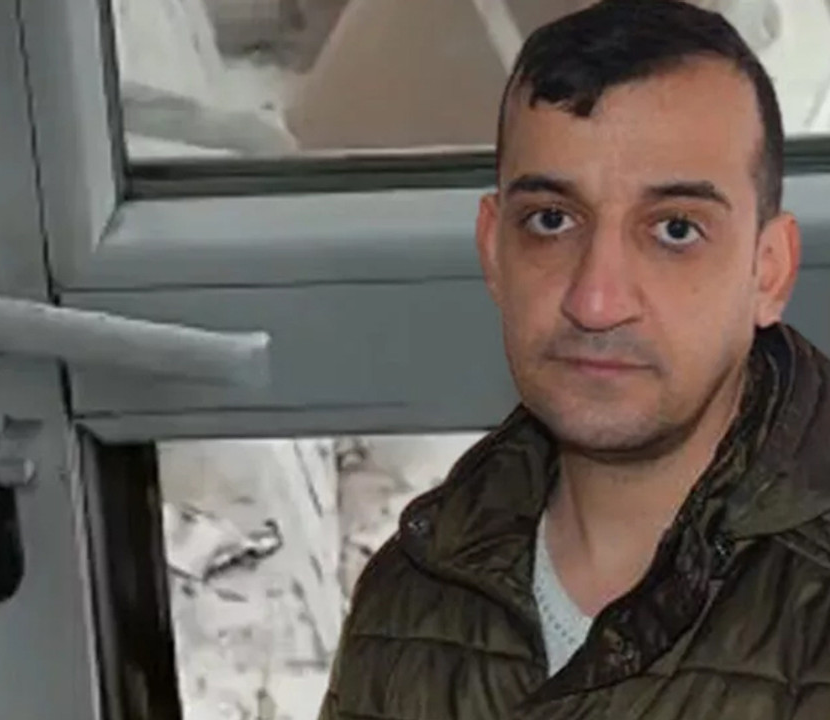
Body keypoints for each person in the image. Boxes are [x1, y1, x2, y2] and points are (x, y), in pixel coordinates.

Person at [319, 1, 829, 718]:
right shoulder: (408, 601)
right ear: (493, 250)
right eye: (552, 221)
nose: (595, 301)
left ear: (768, 272)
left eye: (676, 230)